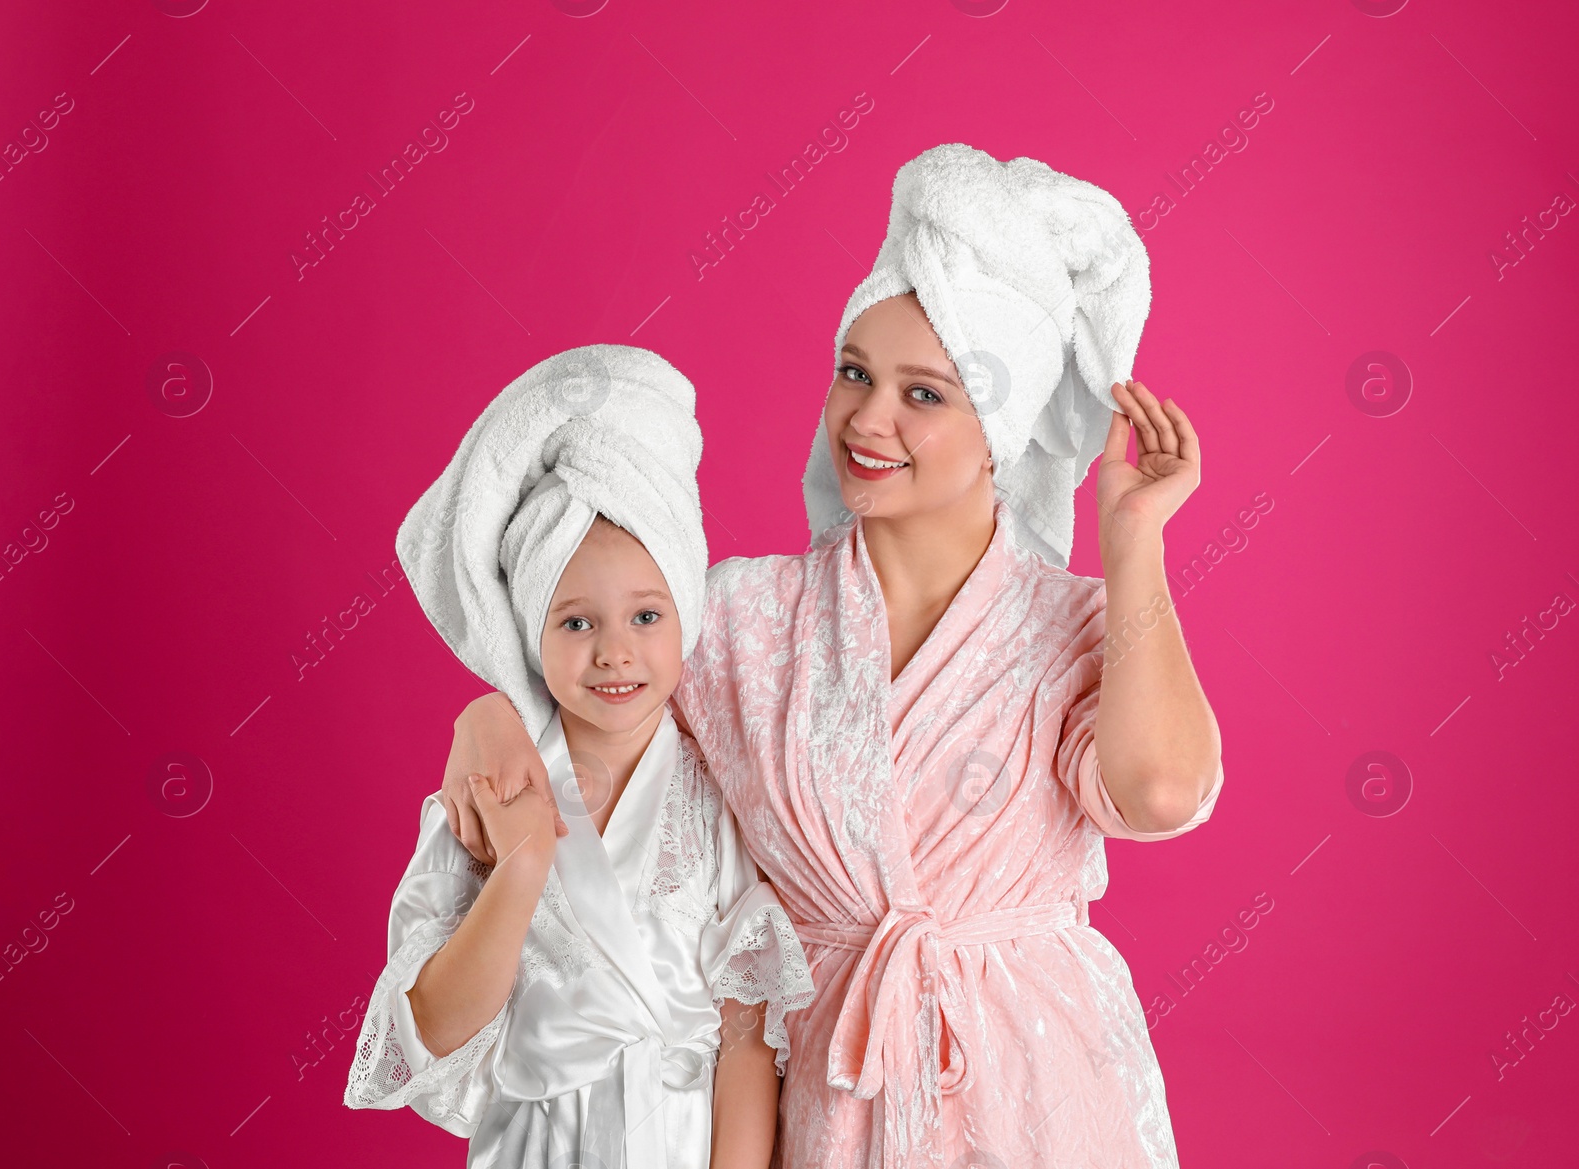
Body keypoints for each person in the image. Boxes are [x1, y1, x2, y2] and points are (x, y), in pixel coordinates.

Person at [438, 145, 1226, 1168]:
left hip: (1039, 1082)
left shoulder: (1076, 622)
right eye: (855, 372)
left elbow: (1162, 789)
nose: (867, 418)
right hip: (823, 1079)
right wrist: (488, 714)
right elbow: (593, 703)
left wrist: (1133, 548)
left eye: (924, 395)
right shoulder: (735, 617)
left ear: (1001, 425)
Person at [343, 344, 816, 1169]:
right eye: (575, 621)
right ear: (530, 631)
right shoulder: (485, 796)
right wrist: (521, 867)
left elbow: (747, 1038)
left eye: (644, 616)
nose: (614, 654)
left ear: (686, 613)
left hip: (681, 1142)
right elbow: (434, 1027)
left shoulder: (718, 800)